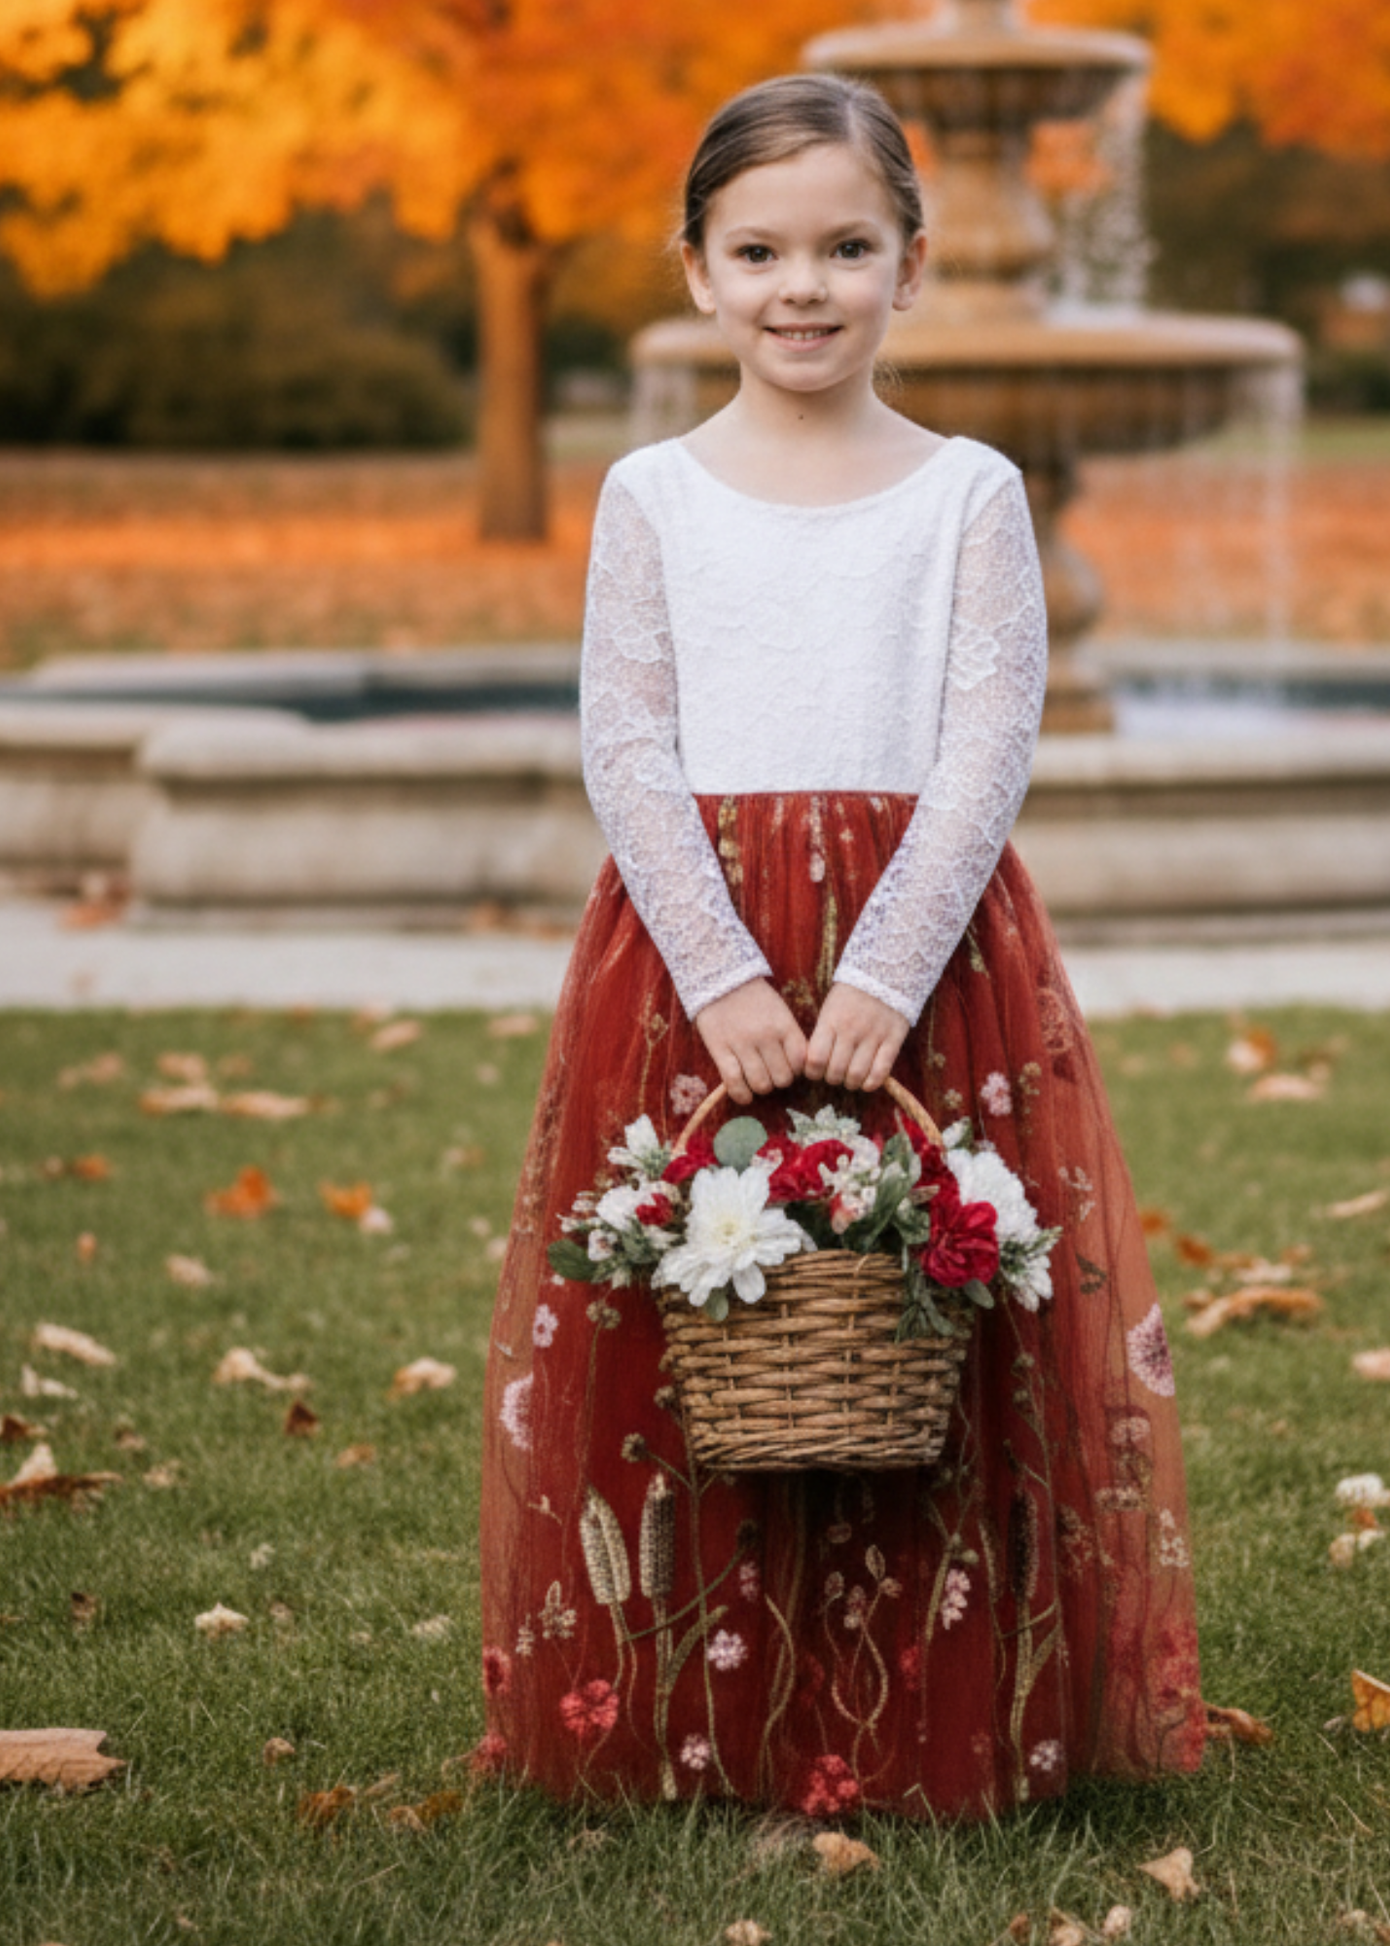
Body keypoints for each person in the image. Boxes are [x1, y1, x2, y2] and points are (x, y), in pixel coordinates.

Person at [477, 72, 1202, 1819]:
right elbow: (627, 744)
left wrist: (881, 976)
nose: (802, 285)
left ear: (911, 263)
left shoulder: (966, 490)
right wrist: (723, 976)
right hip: (692, 949)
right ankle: (690, 1721)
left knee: (925, 1325)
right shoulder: (653, 492)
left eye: (844, 247)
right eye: (760, 250)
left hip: (926, 954)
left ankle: (936, 1715)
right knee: (696, 1333)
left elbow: (988, 738)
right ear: (697, 272)